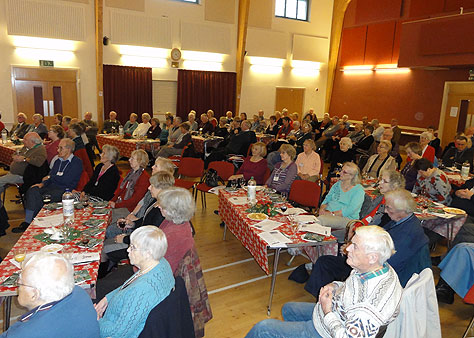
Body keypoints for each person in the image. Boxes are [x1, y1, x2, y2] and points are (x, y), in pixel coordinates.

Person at [246, 226, 402, 338]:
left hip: (326, 330)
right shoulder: (376, 268)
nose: (348, 249)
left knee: (263, 328)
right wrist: (335, 285)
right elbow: (351, 287)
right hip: (335, 313)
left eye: (354, 246)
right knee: (288, 309)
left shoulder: (368, 308)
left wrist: (327, 312)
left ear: (372, 256)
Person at [305, 189, 430, 298]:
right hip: (372, 261)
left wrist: (356, 253)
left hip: (378, 274)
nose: (385, 211)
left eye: (389, 208)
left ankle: (325, 302)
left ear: (402, 210)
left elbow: (386, 263)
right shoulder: (401, 221)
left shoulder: (408, 233)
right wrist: (355, 247)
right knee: (324, 261)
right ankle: (323, 300)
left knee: (326, 264)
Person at [94, 226, 175, 338]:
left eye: (133, 247)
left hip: (114, 330)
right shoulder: (160, 263)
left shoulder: (142, 290)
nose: (128, 250)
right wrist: (107, 298)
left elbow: (117, 332)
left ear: (148, 253)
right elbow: (129, 285)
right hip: (115, 317)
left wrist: (96, 321)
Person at [1, 253, 99, 337]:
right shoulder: (80, 293)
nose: (17, 282)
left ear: (34, 294)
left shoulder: (27, 333)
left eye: (21, 282)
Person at [102, 171, 174, 269]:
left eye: (152, 186)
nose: (149, 188)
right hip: (138, 239)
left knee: (105, 248)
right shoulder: (155, 202)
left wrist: (125, 239)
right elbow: (145, 222)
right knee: (106, 243)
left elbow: (147, 237)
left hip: (142, 248)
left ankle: (107, 274)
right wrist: (132, 224)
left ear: (161, 189)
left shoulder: (161, 212)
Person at [14, 138, 82, 233]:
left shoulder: (76, 162)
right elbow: (50, 177)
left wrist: (51, 177)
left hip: (65, 189)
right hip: (51, 186)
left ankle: (35, 224)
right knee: (33, 190)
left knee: (44, 197)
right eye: (58, 148)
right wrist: (42, 183)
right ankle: (28, 221)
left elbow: (66, 180)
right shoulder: (58, 161)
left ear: (69, 149)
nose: (58, 150)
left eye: (60, 148)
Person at [106, 157, 175, 238]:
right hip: (137, 220)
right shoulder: (154, 187)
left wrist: (134, 220)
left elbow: (149, 227)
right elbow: (141, 202)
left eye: (156, 166)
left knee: (110, 229)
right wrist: (132, 216)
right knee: (110, 219)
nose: (152, 167)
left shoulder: (158, 195)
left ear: (164, 170)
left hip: (140, 227)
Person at [317, 162, 365, 229]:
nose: (340, 173)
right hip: (329, 214)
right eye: (341, 170)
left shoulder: (358, 190)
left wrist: (332, 214)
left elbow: (350, 210)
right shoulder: (337, 184)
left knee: (320, 220)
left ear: (352, 176)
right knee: (316, 220)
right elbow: (327, 199)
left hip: (346, 219)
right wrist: (322, 209)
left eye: (344, 172)